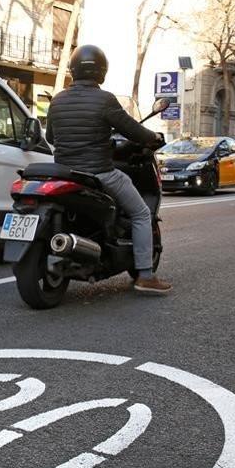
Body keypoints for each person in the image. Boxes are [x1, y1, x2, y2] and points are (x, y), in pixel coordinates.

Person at [45, 45, 171, 294]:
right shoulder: (104, 100)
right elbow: (133, 130)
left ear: (73, 69)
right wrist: (153, 137)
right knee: (142, 213)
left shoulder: (58, 100)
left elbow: (51, 136)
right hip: (99, 173)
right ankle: (145, 275)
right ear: (101, 72)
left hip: (65, 174)